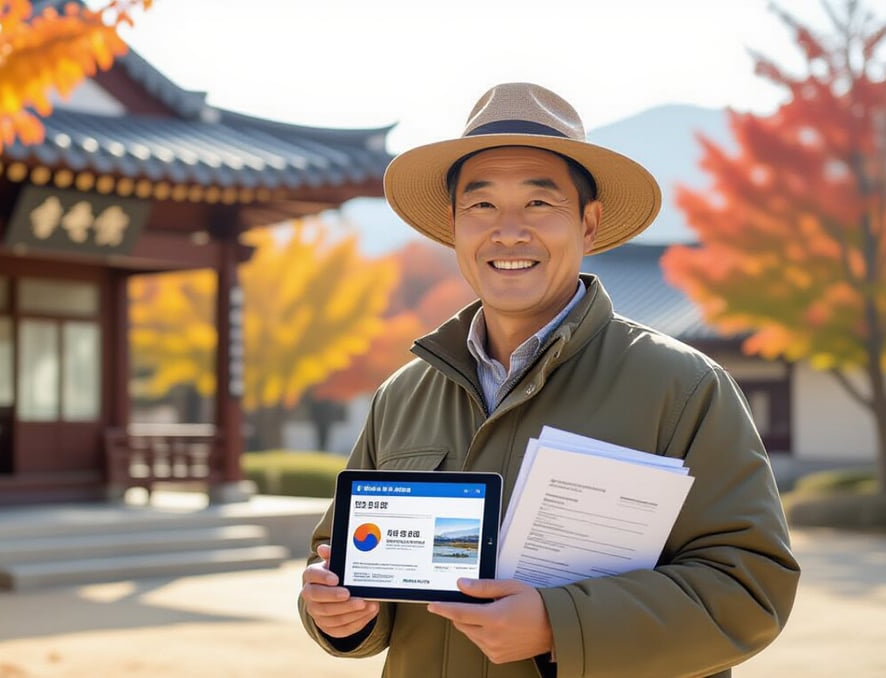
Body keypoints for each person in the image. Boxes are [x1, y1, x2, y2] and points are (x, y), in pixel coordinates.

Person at [297, 83, 800, 677]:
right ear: (453, 226)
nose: (509, 231)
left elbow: (750, 591)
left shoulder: (684, 388)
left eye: (539, 203)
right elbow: (341, 563)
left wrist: (559, 624)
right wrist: (338, 613)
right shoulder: (404, 395)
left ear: (589, 224)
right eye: (482, 205)